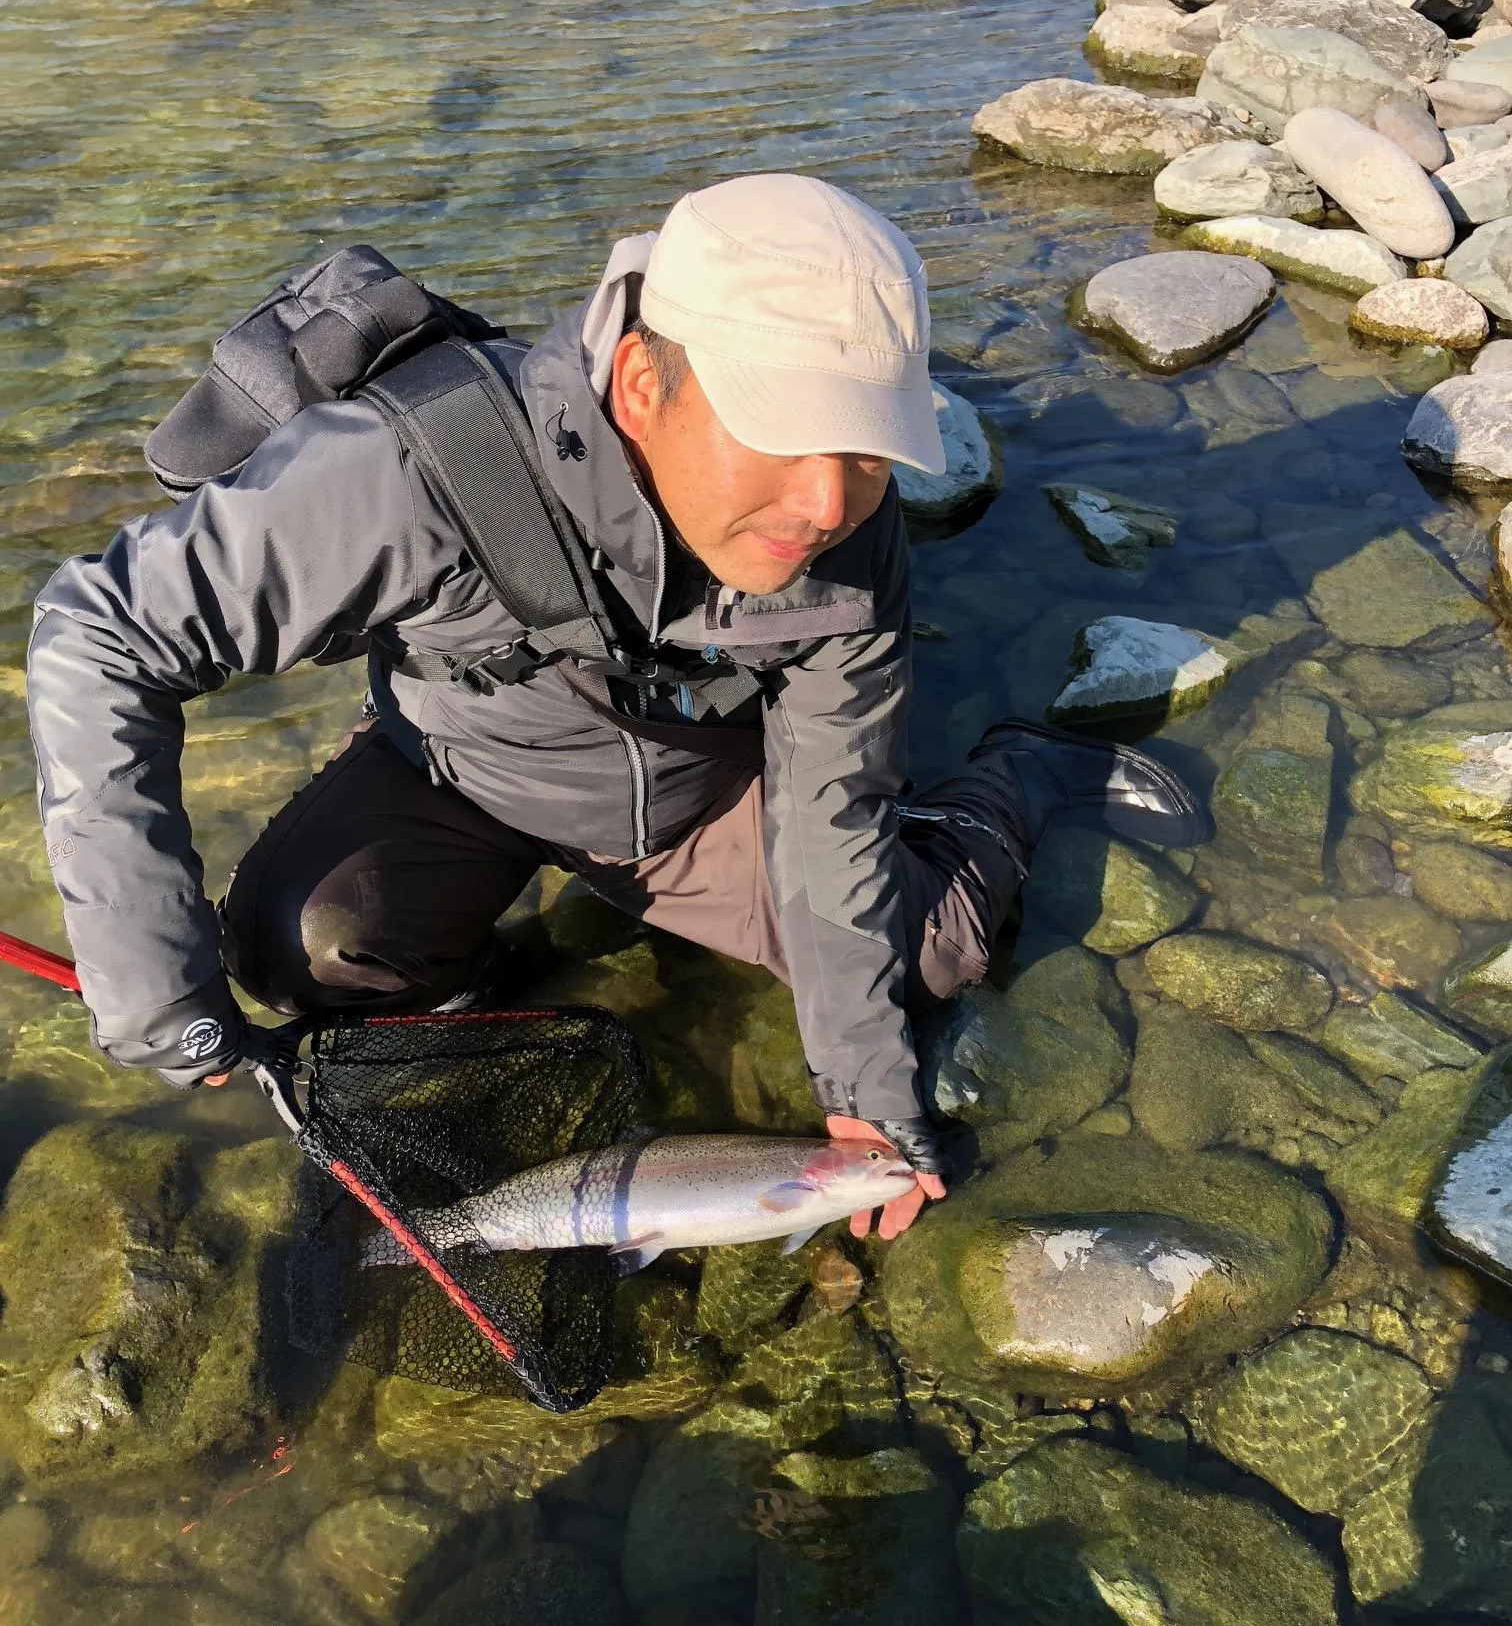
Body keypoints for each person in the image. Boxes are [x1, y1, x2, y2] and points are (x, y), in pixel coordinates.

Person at [26, 173, 1206, 1239]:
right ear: (644, 382)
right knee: (296, 962)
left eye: (868, 448)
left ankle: (1019, 771)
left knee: (921, 959)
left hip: (697, 800)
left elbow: (829, 808)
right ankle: (477, 972)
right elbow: (99, 634)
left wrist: (862, 1097)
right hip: (466, 769)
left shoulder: (851, 532)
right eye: (788, 433)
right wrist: (153, 985)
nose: (827, 501)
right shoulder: (404, 471)